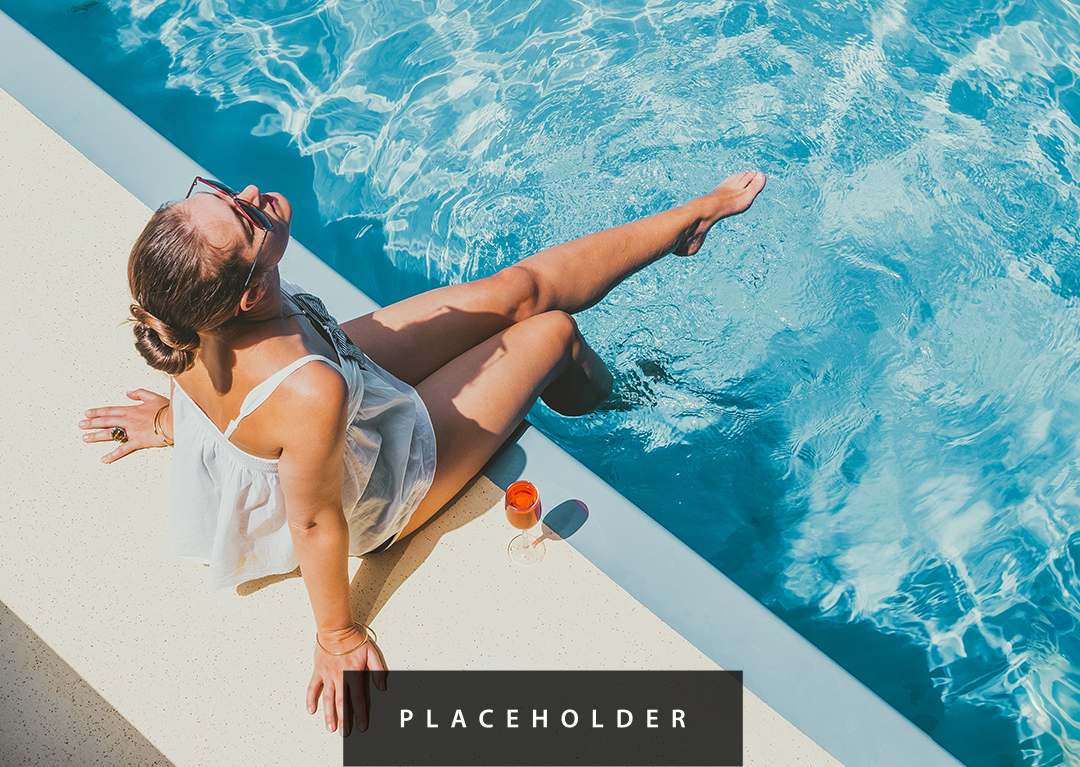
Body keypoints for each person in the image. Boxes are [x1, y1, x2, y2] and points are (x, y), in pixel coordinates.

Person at [79, 170, 766, 735]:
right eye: (245, 217)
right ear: (251, 291)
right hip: (384, 482)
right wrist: (337, 636)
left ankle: (688, 220)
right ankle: (621, 411)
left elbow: (227, 409)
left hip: (345, 384)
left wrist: (170, 421)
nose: (252, 194)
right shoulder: (307, 390)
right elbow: (314, 521)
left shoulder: (179, 309)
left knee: (518, 292)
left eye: (223, 194)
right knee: (553, 331)